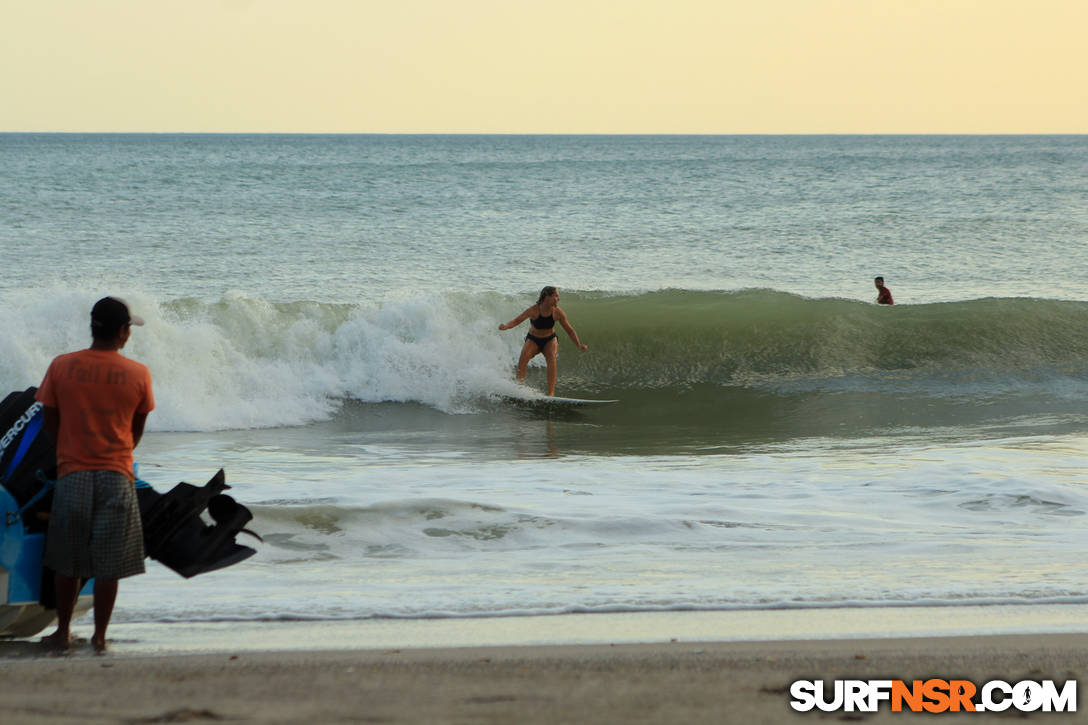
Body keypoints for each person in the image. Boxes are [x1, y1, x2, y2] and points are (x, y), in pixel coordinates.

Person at [36, 297, 155, 653]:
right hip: (116, 476)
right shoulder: (138, 374)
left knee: (66, 560)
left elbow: (48, 417)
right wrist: (118, 453)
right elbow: (137, 428)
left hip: (73, 474)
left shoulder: (62, 366)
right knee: (109, 563)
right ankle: (100, 636)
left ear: (93, 328)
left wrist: (66, 450)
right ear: (122, 332)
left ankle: (63, 631)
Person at [498, 286, 588, 397]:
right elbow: (517, 320)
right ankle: (519, 388)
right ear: (547, 297)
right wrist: (506, 326)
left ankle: (551, 393)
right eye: (556, 296)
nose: (558, 299)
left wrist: (578, 345)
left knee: (551, 358)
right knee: (523, 358)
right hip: (533, 339)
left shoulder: (557, 312)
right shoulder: (534, 310)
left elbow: (570, 330)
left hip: (549, 339)